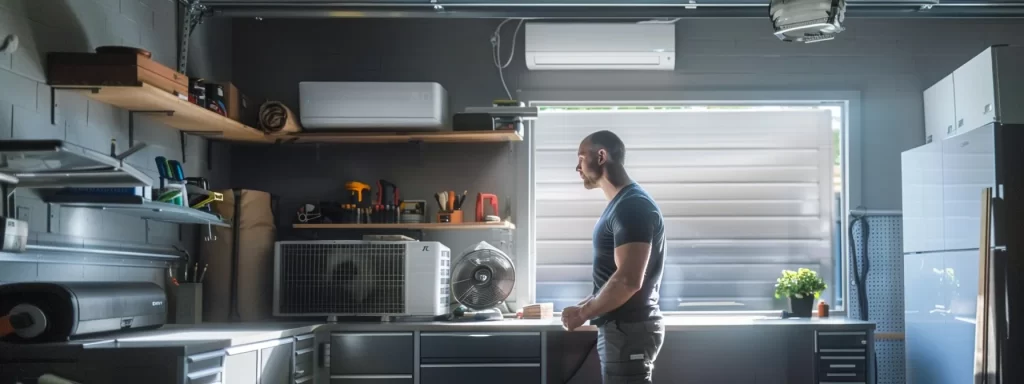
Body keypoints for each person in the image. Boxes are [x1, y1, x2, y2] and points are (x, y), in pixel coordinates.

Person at [560, 130, 667, 384]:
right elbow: (613, 277)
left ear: (601, 156)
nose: (577, 167)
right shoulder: (622, 204)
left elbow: (629, 279)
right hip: (623, 330)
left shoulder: (632, 206)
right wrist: (585, 304)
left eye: (581, 158)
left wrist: (584, 313)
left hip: (628, 330)